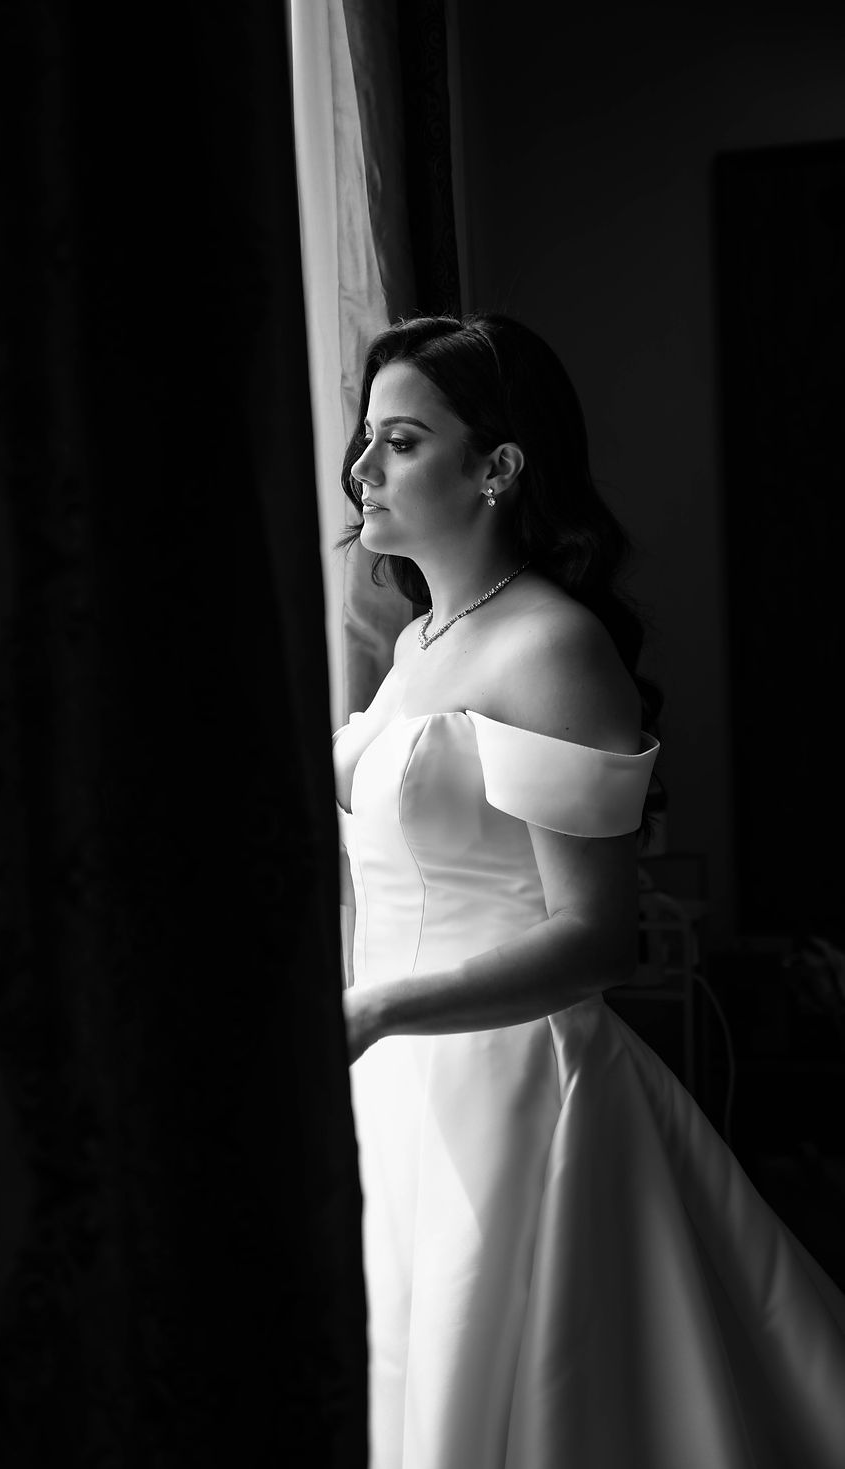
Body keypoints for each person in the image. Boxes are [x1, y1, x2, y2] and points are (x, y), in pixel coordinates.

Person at [331, 312, 845, 1469]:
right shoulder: (412, 640)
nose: (360, 469)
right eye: (365, 440)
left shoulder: (552, 647)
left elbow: (597, 937)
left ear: (497, 466)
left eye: (400, 441)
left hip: (518, 1086)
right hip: (400, 1087)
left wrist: (375, 1009)